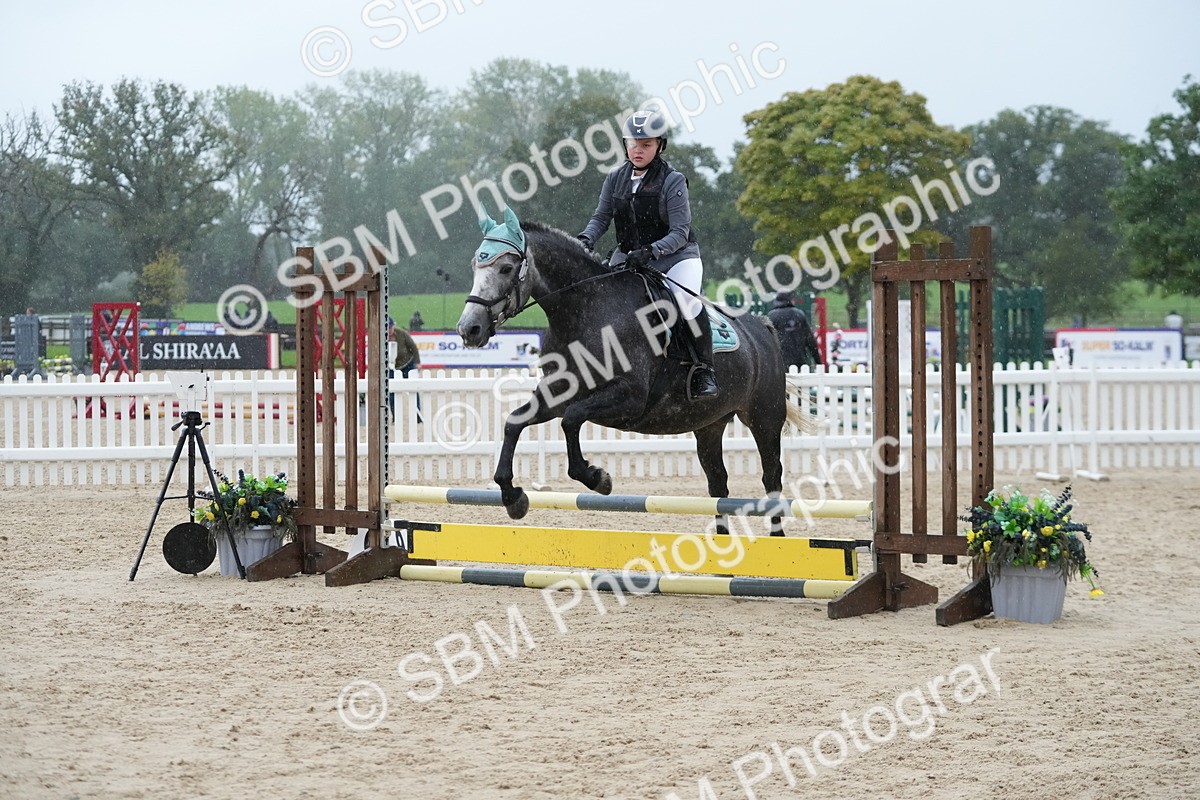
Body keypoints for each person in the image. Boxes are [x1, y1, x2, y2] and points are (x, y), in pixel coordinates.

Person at [577, 110, 718, 399]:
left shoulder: (672, 180)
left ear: (660, 146)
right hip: (629, 256)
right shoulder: (615, 178)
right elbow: (601, 218)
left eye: (646, 145)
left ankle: (704, 370)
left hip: (676, 257)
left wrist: (651, 251)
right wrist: (585, 239)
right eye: (633, 144)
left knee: (687, 302)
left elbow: (680, 232)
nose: (638, 150)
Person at [767, 291, 821, 371]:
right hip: (799, 359)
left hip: (780, 361)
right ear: (790, 300)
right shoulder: (799, 314)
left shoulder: (772, 316)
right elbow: (810, 339)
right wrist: (818, 361)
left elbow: (767, 341)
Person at [390, 320, 422, 422]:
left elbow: (413, 347)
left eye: (390, 327)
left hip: (407, 364)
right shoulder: (380, 336)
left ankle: (417, 416)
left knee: (413, 389)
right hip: (392, 367)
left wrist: (417, 362)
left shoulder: (402, 333)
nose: (389, 330)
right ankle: (395, 416)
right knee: (392, 392)